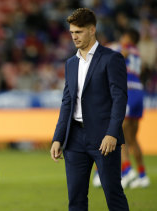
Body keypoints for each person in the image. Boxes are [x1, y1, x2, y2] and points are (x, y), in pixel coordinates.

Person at [50, 8, 129, 210]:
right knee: (75, 199)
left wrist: (112, 133)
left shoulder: (112, 58)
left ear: (92, 30)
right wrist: (58, 138)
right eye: (72, 33)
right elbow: (67, 101)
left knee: (113, 194)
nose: (74, 37)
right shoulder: (71, 63)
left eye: (79, 32)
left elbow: (119, 99)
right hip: (74, 139)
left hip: (104, 138)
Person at [93, 28, 150, 188]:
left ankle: (126, 170)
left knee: (116, 132)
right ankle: (142, 174)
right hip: (139, 92)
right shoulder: (137, 52)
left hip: (128, 92)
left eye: (123, 36)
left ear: (128, 37)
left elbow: (114, 53)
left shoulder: (125, 48)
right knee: (132, 137)